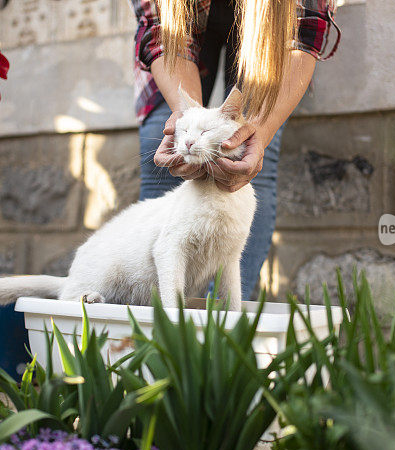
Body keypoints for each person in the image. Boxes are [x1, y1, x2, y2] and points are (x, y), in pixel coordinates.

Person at [131, 0, 339, 300]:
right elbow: (161, 30)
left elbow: (303, 31)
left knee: (249, 163)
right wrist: (185, 116)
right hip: (181, 18)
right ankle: (152, 314)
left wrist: (261, 131)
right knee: (159, 161)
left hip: (270, 22)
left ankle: (225, 323)